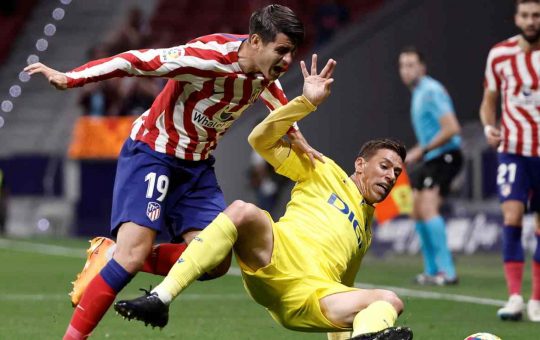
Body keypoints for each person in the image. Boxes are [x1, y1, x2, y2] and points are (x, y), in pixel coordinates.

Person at [25, 4, 324, 339]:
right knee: (133, 255)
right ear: (255, 42)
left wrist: (298, 137)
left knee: (215, 260)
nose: (286, 61)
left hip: (197, 168)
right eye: (281, 51)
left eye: (291, 53)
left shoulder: (263, 74)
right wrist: (72, 77)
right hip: (154, 154)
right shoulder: (205, 57)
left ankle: (110, 254)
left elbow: (277, 101)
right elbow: (137, 61)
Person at [114, 55, 413, 340]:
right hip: (275, 256)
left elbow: (345, 288)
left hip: (311, 298)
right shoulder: (322, 168)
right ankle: (161, 299)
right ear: (360, 164)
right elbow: (259, 139)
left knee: (389, 301)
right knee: (243, 211)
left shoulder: (366, 230)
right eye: (384, 166)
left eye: (396, 173)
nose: (390, 176)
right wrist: (305, 103)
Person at [479, 0, 540, 322]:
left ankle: (537, 300)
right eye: (526, 15)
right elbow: (489, 102)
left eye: (536, 15)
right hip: (513, 149)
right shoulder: (500, 54)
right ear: (517, 18)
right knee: (512, 217)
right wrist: (490, 126)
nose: (531, 21)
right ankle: (515, 296)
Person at [398, 46, 462, 286]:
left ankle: (448, 272)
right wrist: (415, 152)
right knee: (415, 208)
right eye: (403, 65)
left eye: (411, 65)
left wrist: (422, 151)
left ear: (422, 68)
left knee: (427, 207)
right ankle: (431, 270)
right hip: (432, 157)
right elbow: (430, 136)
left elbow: (452, 128)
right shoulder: (419, 93)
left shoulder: (431, 91)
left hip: (446, 155)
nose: (406, 70)